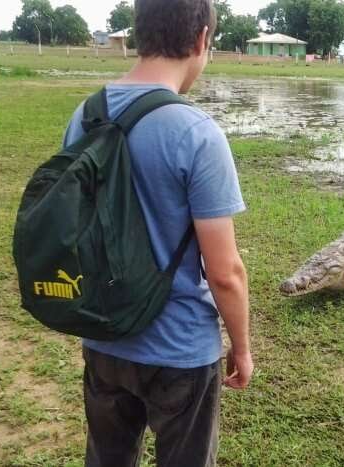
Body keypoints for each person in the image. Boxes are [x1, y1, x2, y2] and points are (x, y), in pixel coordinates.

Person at [61, 1, 253, 465]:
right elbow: (225, 272)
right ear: (201, 40)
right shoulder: (198, 133)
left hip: (103, 337)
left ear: (141, 33)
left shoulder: (85, 116)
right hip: (180, 352)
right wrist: (242, 348)